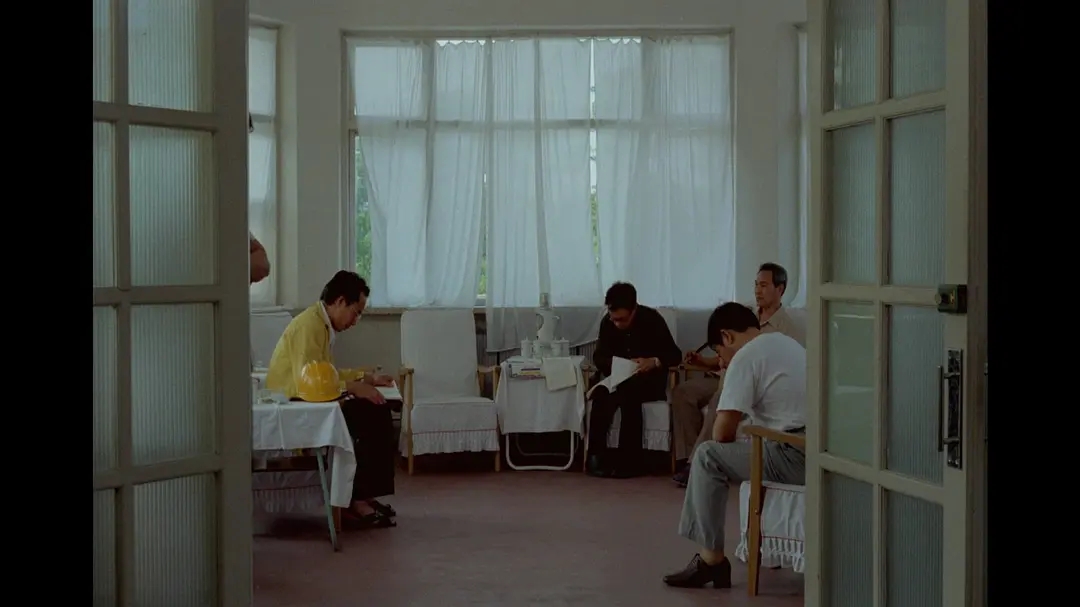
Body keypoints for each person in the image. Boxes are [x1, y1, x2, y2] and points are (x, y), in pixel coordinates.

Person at [662, 302, 806, 588]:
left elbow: (722, 434)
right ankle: (711, 559)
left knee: (706, 456)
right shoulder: (787, 344)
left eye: (718, 353)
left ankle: (711, 561)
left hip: (794, 453)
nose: (721, 362)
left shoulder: (746, 356)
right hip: (820, 448)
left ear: (727, 337)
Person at [264, 270, 399, 529]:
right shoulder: (310, 326)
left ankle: (361, 496)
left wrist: (366, 378)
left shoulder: (320, 324)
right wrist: (354, 387)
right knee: (370, 416)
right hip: (295, 405)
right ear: (339, 301)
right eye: (356, 312)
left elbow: (326, 374)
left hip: (307, 399)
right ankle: (353, 501)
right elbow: (308, 382)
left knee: (374, 411)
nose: (356, 320)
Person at [669, 262, 806, 487]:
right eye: (756, 285)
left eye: (764, 285)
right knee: (684, 393)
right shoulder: (750, 319)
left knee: (715, 428)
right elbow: (725, 359)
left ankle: (697, 463)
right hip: (722, 378)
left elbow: (723, 434)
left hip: (784, 441)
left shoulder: (785, 330)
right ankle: (691, 458)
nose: (758, 290)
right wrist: (704, 361)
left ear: (780, 289)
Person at [587, 282, 681, 479]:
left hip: (648, 381)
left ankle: (629, 462)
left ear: (634, 309)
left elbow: (674, 355)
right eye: (613, 319)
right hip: (617, 378)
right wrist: (616, 364)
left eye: (622, 320)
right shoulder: (608, 323)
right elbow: (599, 357)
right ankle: (596, 458)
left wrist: (653, 361)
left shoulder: (652, 320)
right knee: (600, 396)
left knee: (628, 394)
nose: (617, 324)